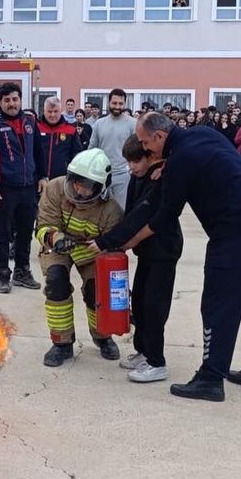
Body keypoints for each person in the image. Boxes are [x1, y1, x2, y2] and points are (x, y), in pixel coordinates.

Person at [128, 113, 241, 402]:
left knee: (219, 303)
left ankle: (211, 377)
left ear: (160, 137)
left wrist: (129, 241)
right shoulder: (201, 134)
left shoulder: (181, 161)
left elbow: (165, 216)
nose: (146, 151)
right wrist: (167, 164)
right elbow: (199, 159)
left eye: (147, 145)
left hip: (234, 232)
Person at [91, 135, 183, 384]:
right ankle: (143, 350)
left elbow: (141, 214)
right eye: (128, 162)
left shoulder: (161, 179)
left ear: (152, 156)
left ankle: (157, 362)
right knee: (140, 301)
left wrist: (105, 241)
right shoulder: (138, 177)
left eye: (135, 161)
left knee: (154, 306)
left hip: (164, 251)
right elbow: (130, 211)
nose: (131, 167)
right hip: (147, 252)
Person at [33, 148, 124, 366]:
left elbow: (114, 247)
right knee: (56, 283)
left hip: (91, 251)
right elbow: (43, 227)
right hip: (59, 246)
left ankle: (103, 336)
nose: (80, 190)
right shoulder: (55, 188)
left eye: (87, 185)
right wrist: (55, 238)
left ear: (101, 187)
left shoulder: (111, 209)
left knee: (97, 290)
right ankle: (62, 344)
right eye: (77, 182)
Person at [0, 82, 47, 294]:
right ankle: (3, 273)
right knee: (3, 233)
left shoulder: (30, 120)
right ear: (0, 102)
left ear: (20, 100)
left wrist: (43, 176)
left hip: (28, 188)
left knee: (26, 232)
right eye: (7, 100)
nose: (12, 103)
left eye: (15, 99)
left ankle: (22, 271)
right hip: (3, 189)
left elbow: (39, 150)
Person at [87, 88, 137, 208]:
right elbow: (92, 149)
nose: (117, 106)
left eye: (120, 103)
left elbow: (138, 150)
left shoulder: (133, 124)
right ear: (109, 103)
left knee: (121, 211)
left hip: (124, 176)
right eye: (114, 103)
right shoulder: (99, 124)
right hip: (101, 176)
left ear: (125, 104)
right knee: (100, 210)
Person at [36, 96, 83, 182]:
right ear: (44, 111)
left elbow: (77, 156)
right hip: (39, 181)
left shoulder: (71, 130)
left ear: (61, 111)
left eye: (56, 111)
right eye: (49, 111)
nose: (52, 115)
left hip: (62, 180)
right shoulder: (36, 128)